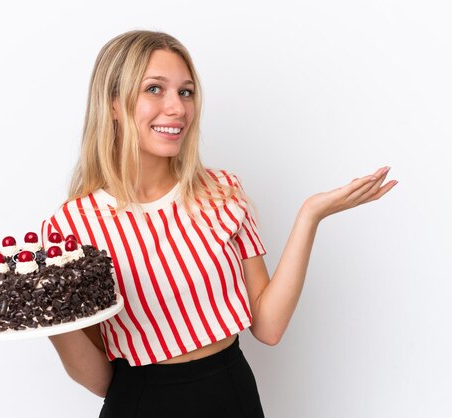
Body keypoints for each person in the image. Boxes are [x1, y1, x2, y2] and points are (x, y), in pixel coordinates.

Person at [43, 30, 397, 418]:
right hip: (141, 402)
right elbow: (98, 378)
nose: (177, 108)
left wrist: (310, 215)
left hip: (233, 394)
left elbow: (269, 326)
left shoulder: (223, 191)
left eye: (186, 92)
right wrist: (43, 313)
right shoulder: (72, 227)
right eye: (155, 89)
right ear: (112, 103)